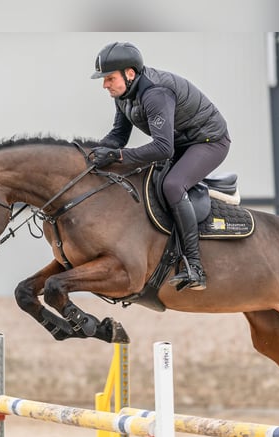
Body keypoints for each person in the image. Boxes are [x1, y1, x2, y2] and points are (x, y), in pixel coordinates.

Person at [89, 41, 231, 291]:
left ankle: (195, 267)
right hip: (181, 142)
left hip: (209, 142)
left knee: (173, 185)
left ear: (129, 73)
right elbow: (118, 136)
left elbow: (163, 148)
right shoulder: (124, 95)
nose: (104, 85)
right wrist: (94, 154)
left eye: (109, 78)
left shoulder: (155, 94)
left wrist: (117, 156)